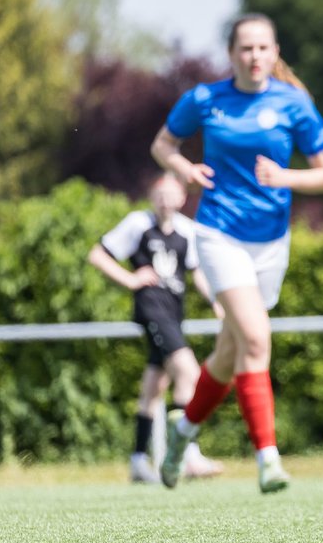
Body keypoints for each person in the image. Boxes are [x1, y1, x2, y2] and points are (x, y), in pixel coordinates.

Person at [150, 13, 323, 494]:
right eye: (245, 49)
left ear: (275, 53)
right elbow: (163, 145)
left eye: (263, 48)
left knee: (230, 353)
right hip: (219, 234)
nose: (254, 57)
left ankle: (182, 433)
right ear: (231, 54)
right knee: (256, 339)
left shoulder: (293, 104)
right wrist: (184, 168)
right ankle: (268, 460)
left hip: (271, 242)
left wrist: (285, 177)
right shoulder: (206, 99)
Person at [88, 173, 224, 484]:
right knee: (189, 372)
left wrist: (217, 300)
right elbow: (98, 255)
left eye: (170, 194)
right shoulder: (138, 223)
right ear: (152, 196)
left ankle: (138, 460)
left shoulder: (187, 231)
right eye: (159, 193)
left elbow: (196, 273)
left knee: (154, 387)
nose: (164, 199)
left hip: (174, 314)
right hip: (152, 310)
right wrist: (131, 280)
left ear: (182, 198)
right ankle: (188, 452)